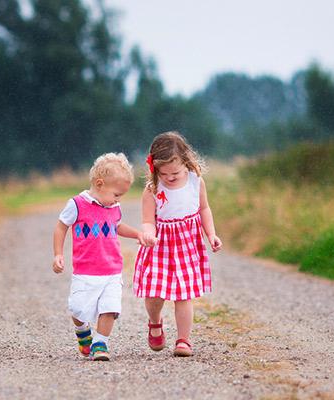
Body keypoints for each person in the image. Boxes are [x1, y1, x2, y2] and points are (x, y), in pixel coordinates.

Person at [52, 153, 150, 361]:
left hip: (112, 270)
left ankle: (100, 343)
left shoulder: (113, 207)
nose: (118, 200)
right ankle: (82, 331)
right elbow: (61, 227)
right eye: (117, 194)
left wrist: (137, 234)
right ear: (99, 184)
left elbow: (117, 226)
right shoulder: (77, 204)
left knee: (110, 308)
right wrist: (58, 254)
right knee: (78, 309)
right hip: (85, 271)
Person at [134, 131, 222, 357]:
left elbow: (204, 209)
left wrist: (210, 234)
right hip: (159, 246)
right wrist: (148, 233)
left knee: (183, 295)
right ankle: (155, 322)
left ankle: (183, 340)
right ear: (155, 169)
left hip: (186, 244)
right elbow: (147, 220)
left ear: (186, 161)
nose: (170, 177)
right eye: (163, 173)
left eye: (175, 172)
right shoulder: (152, 190)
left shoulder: (195, 181)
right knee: (155, 294)